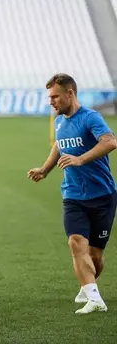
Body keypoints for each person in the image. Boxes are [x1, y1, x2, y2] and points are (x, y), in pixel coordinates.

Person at [27, 73, 117, 315]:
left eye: (55, 96)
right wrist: (45, 169)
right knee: (76, 243)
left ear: (70, 93)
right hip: (73, 195)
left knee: (95, 256)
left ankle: (88, 285)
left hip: (103, 196)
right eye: (49, 97)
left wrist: (80, 159)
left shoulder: (90, 118)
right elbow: (59, 144)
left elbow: (110, 142)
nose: (51, 101)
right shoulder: (59, 122)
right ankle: (95, 298)